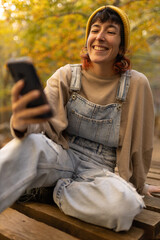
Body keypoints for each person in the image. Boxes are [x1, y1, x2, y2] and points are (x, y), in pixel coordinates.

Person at [0, 5, 160, 232]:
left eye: (111, 31)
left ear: (122, 46)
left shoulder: (136, 84)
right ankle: (55, 185)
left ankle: (55, 192)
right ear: (87, 40)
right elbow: (40, 123)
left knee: (126, 208)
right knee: (29, 144)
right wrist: (20, 123)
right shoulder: (66, 75)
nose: (100, 37)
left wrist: (139, 184)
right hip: (60, 155)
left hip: (98, 171)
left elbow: (142, 144)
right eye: (95, 30)